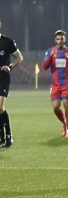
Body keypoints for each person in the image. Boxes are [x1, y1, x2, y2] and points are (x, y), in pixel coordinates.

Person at [0, 19, 24, 148]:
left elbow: (19, 57)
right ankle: (2, 138)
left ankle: (9, 136)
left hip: (3, 77)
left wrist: (10, 66)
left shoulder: (7, 42)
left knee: (0, 107)